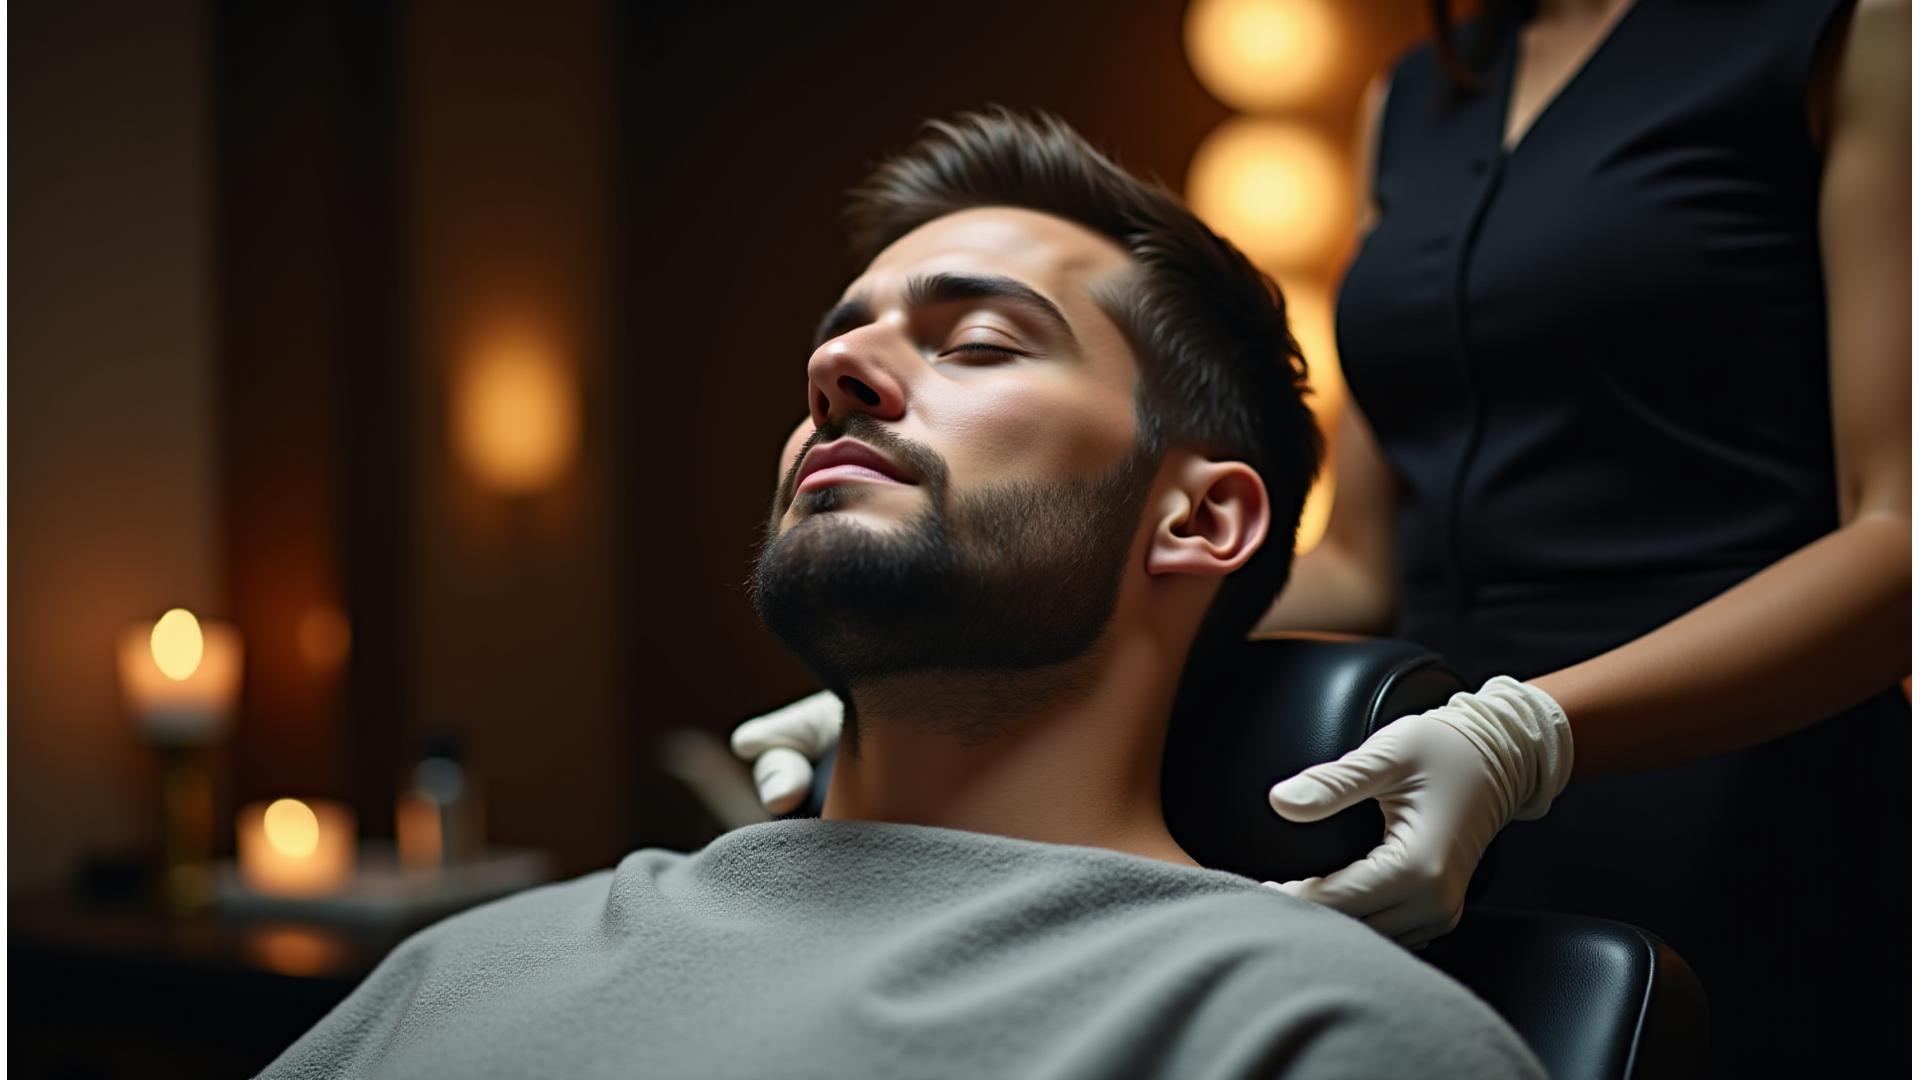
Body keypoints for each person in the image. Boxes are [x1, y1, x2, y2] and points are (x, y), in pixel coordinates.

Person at [734, 2, 1911, 1076]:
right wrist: (953, 678)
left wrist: (1533, 736)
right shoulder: (1415, 98)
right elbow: (1357, 558)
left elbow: (1901, 529)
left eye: (980, 341)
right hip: (1412, 773)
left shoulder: (1850, 32)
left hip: (1733, 754)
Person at [258, 109, 1549, 1080]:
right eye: (840, 338)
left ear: (1199, 516)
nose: (836, 370)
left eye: (978, 342)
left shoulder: (1301, 1032)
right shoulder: (465, 970)